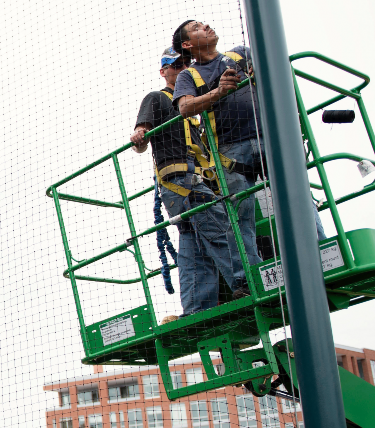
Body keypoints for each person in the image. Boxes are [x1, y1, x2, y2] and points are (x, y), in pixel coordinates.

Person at [172, 20, 323, 261]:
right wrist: (219, 91)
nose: (207, 26)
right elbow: (185, 108)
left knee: (298, 196)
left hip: (270, 138)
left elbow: (276, 72)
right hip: (230, 151)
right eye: (198, 27)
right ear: (188, 44)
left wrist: (261, 73)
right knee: (240, 215)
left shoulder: (241, 54)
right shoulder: (188, 75)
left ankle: (322, 251)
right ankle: (248, 276)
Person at [132, 48, 240, 315]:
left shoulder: (192, 105)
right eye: (174, 65)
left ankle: (196, 309)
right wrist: (139, 134)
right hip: (180, 180)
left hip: (193, 181)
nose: (180, 68)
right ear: (163, 71)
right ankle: (247, 280)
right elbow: (141, 137)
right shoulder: (157, 98)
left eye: (184, 64)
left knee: (195, 244)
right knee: (220, 229)